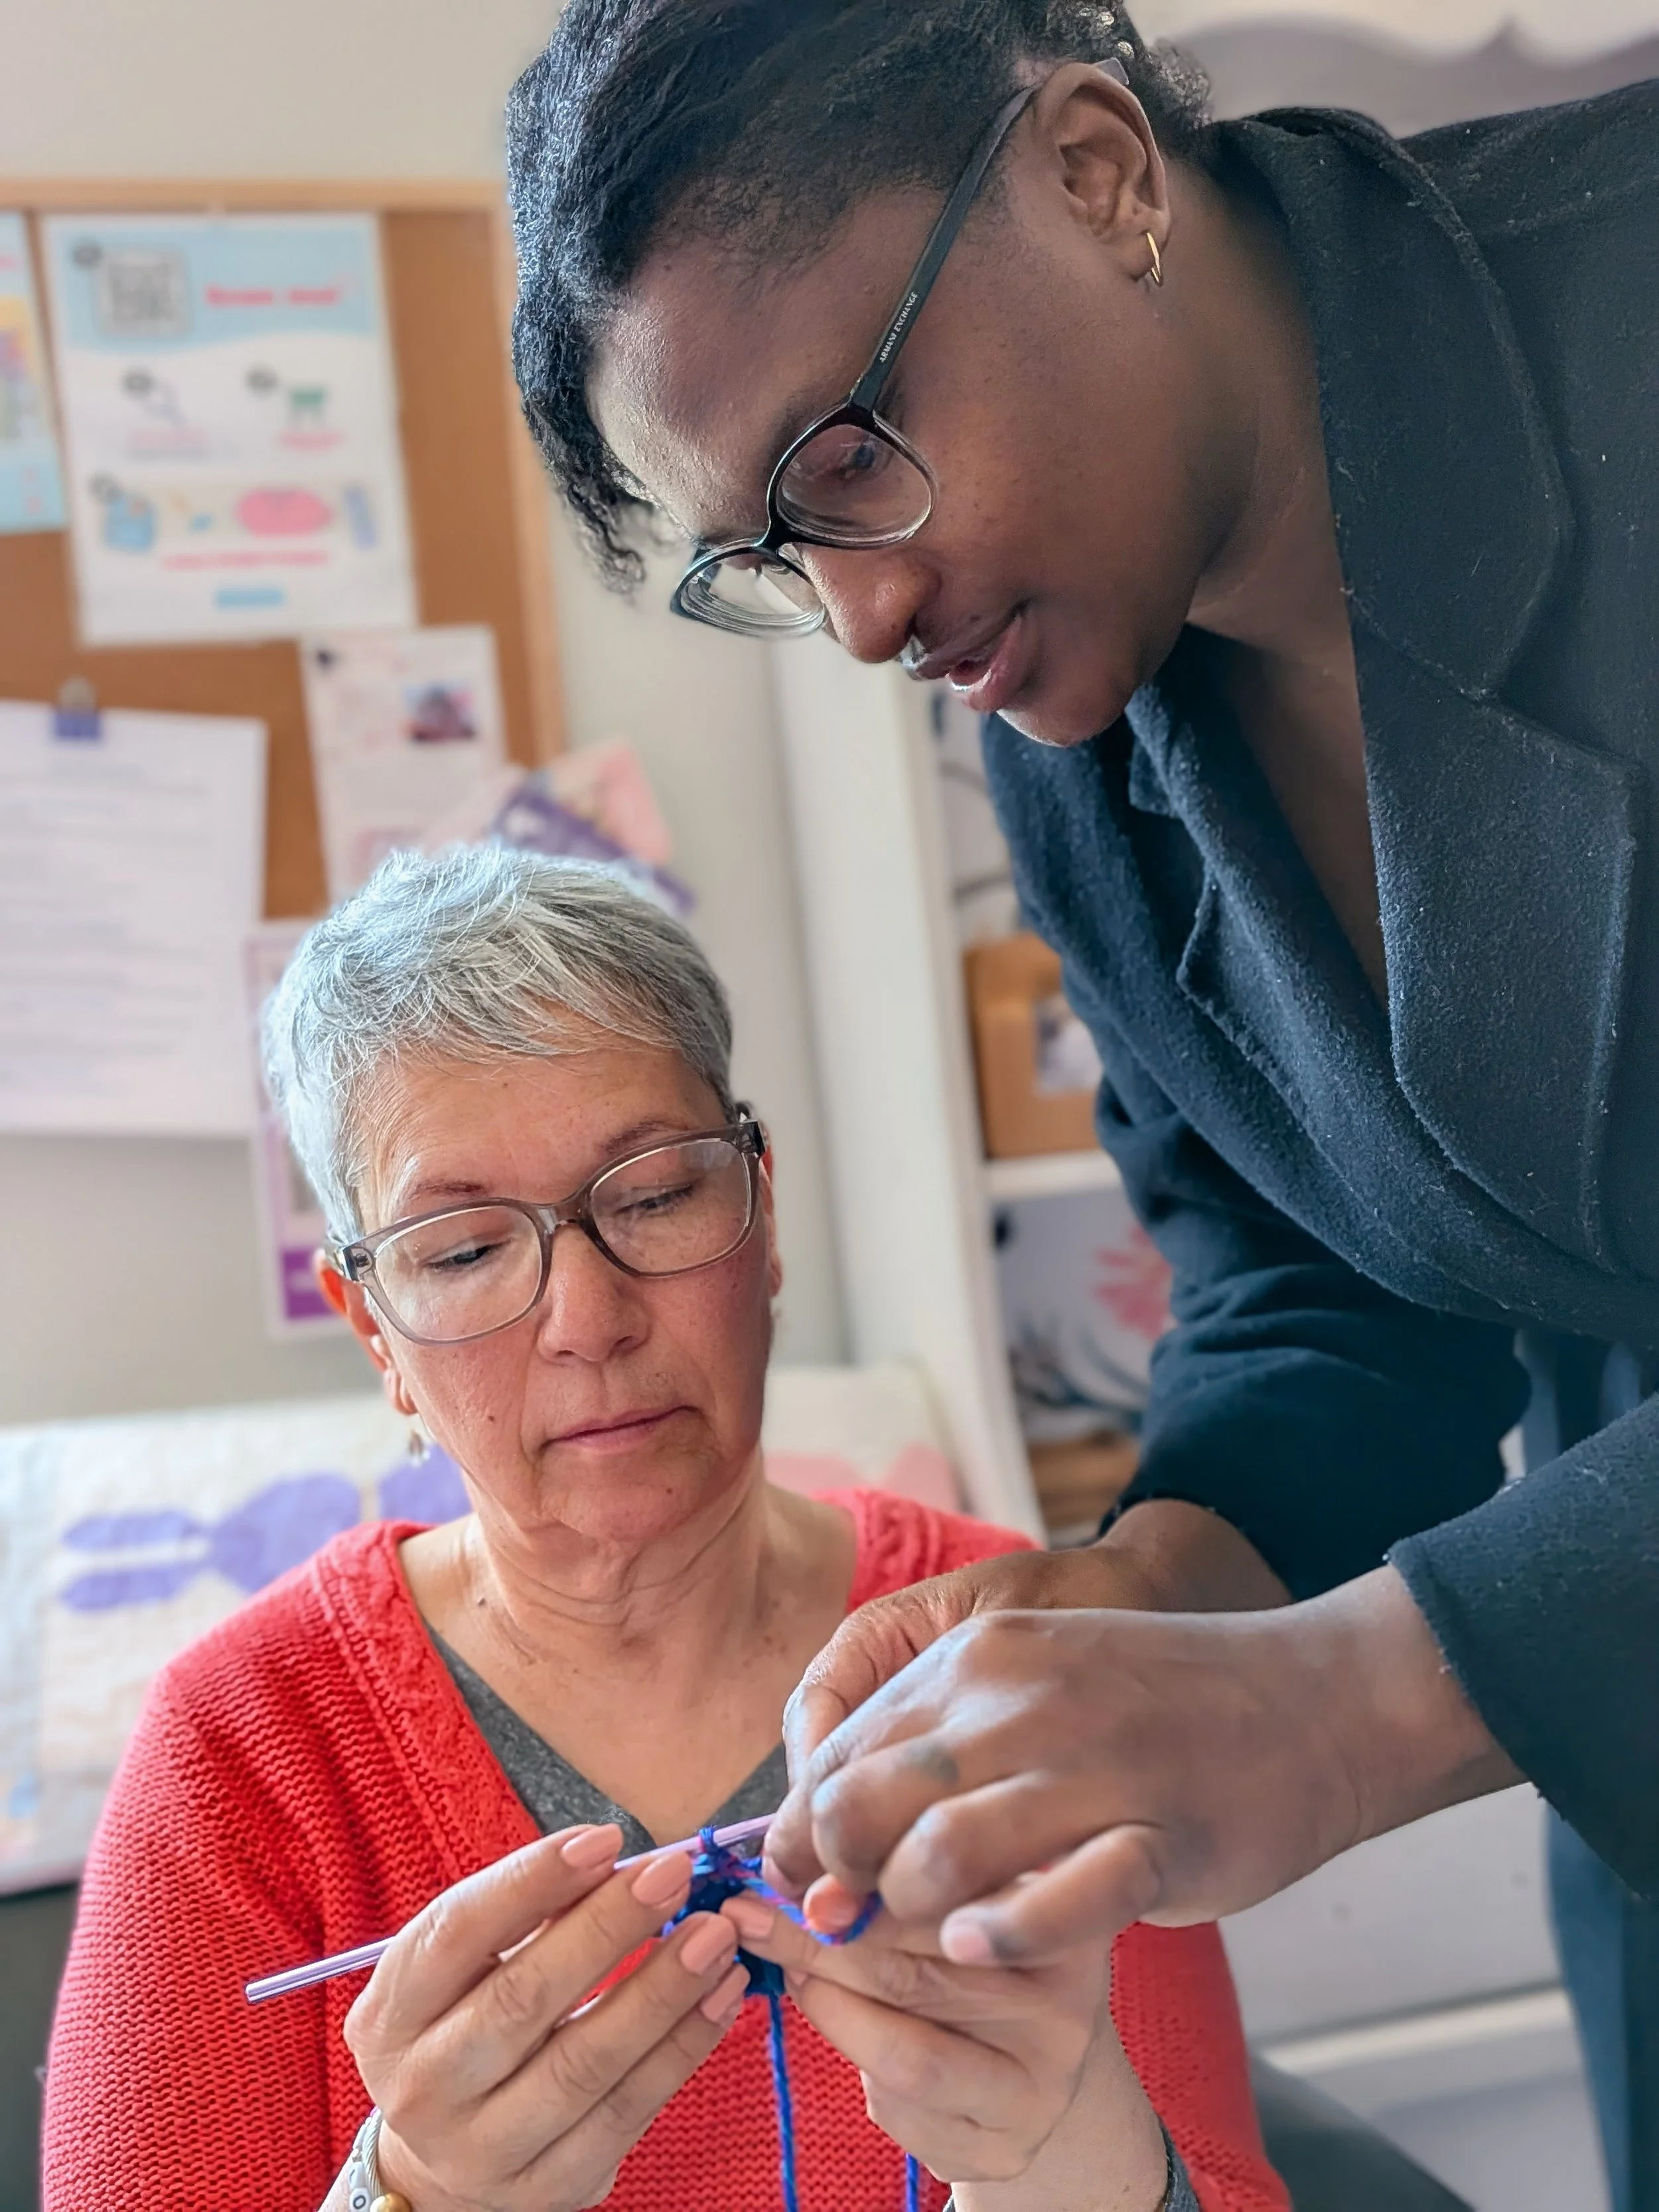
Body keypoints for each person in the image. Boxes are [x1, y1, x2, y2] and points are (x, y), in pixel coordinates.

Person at [503, 3, 1659, 2202]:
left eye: (851, 451)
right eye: (772, 553)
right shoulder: (1089, 745)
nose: (857, 624)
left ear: (1103, 171)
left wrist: (1359, 1700)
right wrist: (1155, 1580)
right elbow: (1323, 1288)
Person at [41, 846, 1288, 2212]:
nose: (586, 1320)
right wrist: (404, 2195)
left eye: (651, 1196)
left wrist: (1063, 2158)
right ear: (377, 1338)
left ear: (760, 1222)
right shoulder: (241, 1753)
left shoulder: (1005, 1651)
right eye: (462, 1251)